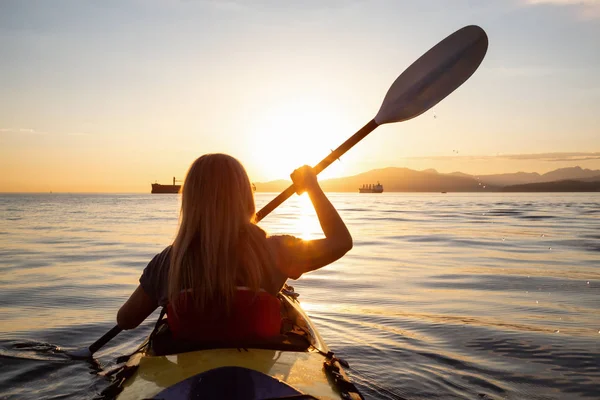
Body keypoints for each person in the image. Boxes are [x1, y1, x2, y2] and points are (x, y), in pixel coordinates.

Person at [116, 153, 352, 341]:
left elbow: (126, 320)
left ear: (189, 201)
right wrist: (312, 186)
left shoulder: (168, 262)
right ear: (246, 197)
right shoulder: (277, 251)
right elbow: (341, 242)